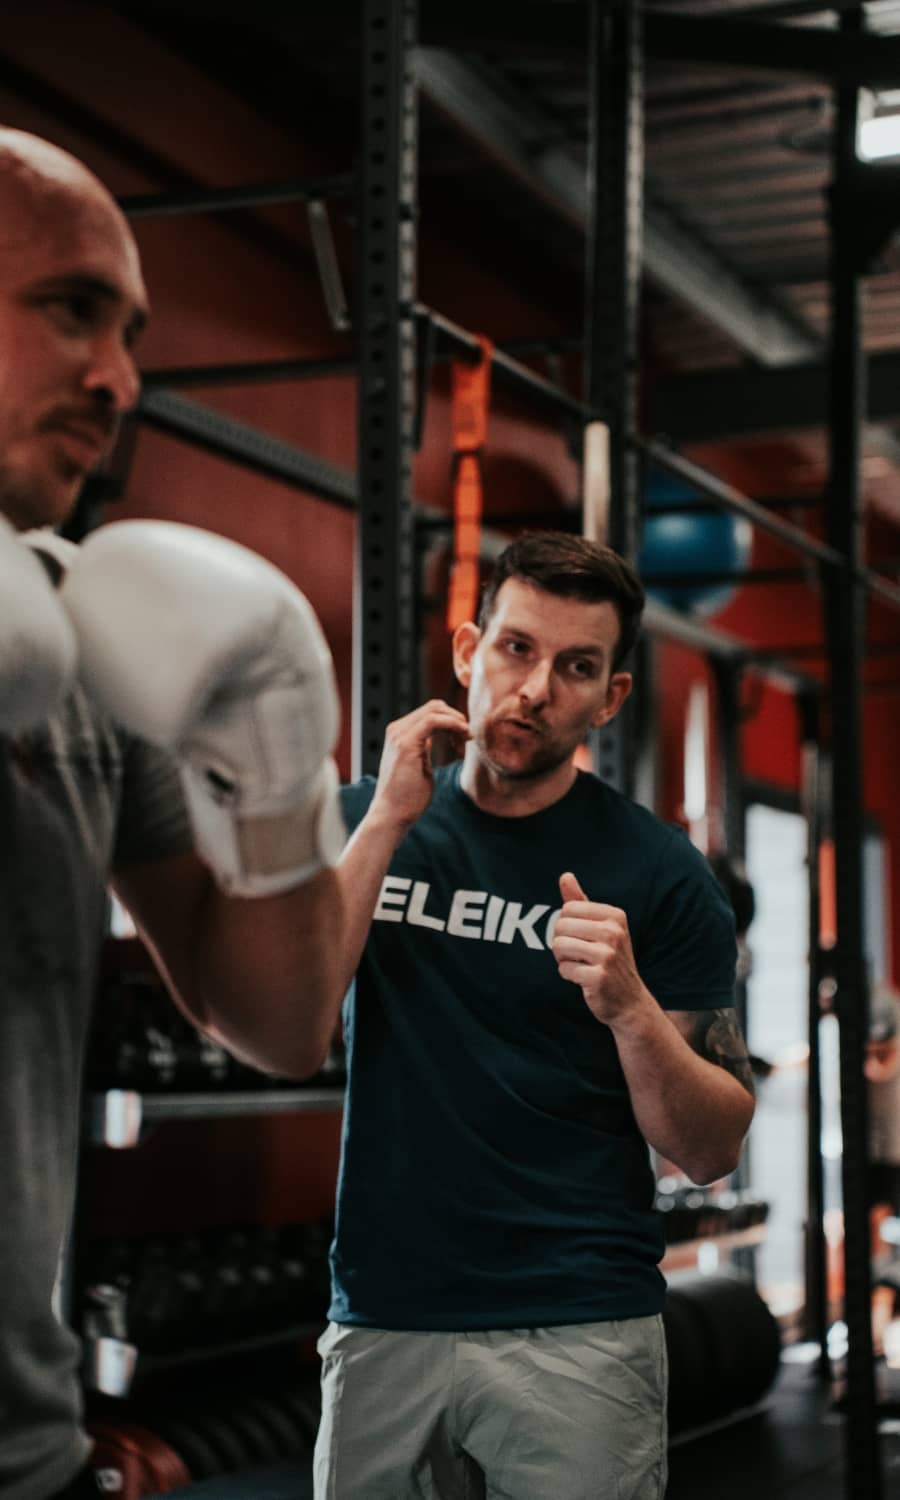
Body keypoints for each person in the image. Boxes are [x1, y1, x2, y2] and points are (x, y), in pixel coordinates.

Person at [0, 128, 347, 1500]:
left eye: (131, 330)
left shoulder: (78, 655)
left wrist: (278, 767)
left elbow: (276, 1017)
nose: (120, 379)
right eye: (72, 307)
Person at [313, 532, 756, 1499]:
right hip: (385, 1315)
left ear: (612, 697)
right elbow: (295, 1029)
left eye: (577, 666)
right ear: (469, 651)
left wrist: (632, 1009)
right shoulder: (358, 823)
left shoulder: (662, 876)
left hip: (579, 1326)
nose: (537, 688)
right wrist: (387, 818)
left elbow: (713, 1147)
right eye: (517, 649)